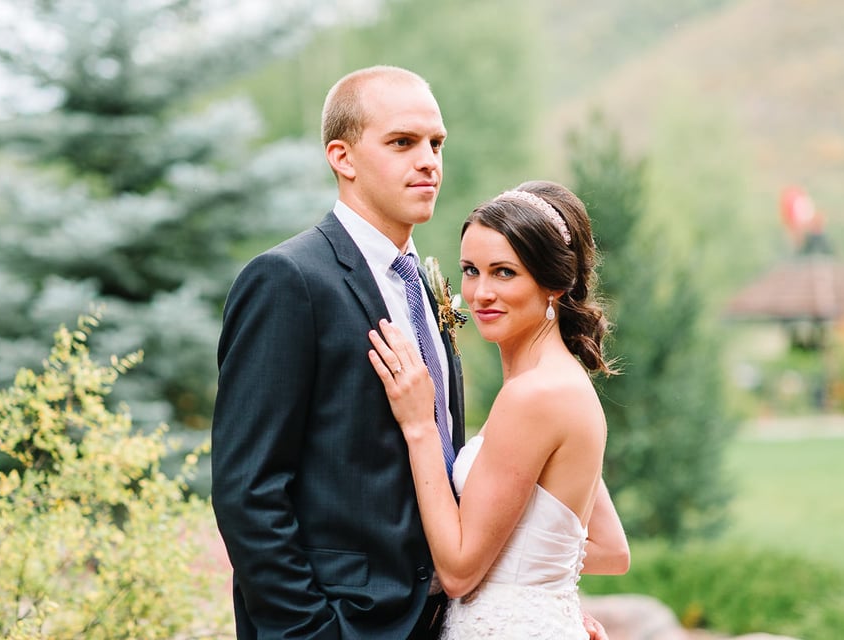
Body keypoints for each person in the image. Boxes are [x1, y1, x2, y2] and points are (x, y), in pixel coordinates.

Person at [212, 64, 611, 639]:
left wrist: (538, 607)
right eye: (402, 142)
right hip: (341, 624)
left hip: (440, 621)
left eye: (435, 143)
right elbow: (247, 488)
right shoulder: (288, 280)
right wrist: (311, 632)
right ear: (342, 158)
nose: (428, 160)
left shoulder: (429, 286)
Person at [367, 180, 631, 638]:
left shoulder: (533, 396)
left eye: (504, 272)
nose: (480, 292)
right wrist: (546, 602)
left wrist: (419, 426)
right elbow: (609, 547)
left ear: (555, 283)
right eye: (471, 270)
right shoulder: (564, 382)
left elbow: (459, 573)